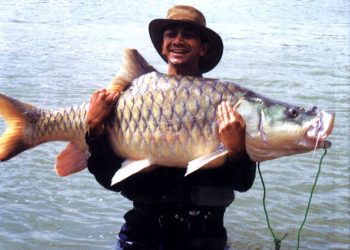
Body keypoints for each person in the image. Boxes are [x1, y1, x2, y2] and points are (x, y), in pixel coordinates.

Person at [86, 5, 256, 250]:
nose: (178, 40)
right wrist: (93, 129)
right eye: (170, 34)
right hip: (141, 238)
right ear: (163, 46)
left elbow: (242, 183)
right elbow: (110, 180)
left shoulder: (227, 105)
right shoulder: (131, 99)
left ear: (203, 47)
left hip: (205, 241)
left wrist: (238, 150)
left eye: (187, 34)